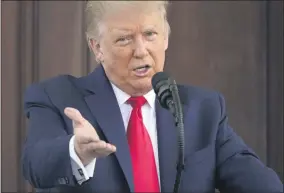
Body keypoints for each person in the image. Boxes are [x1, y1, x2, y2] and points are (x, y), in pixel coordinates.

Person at [22, 1, 283, 193]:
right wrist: (76, 151)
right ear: (97, 47)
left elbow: (257, 182)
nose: (141, 50)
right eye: (124, 39)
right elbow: (36, 165)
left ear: (166, 38)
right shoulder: (58, 97)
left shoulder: (204, 110)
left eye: (150, 34)